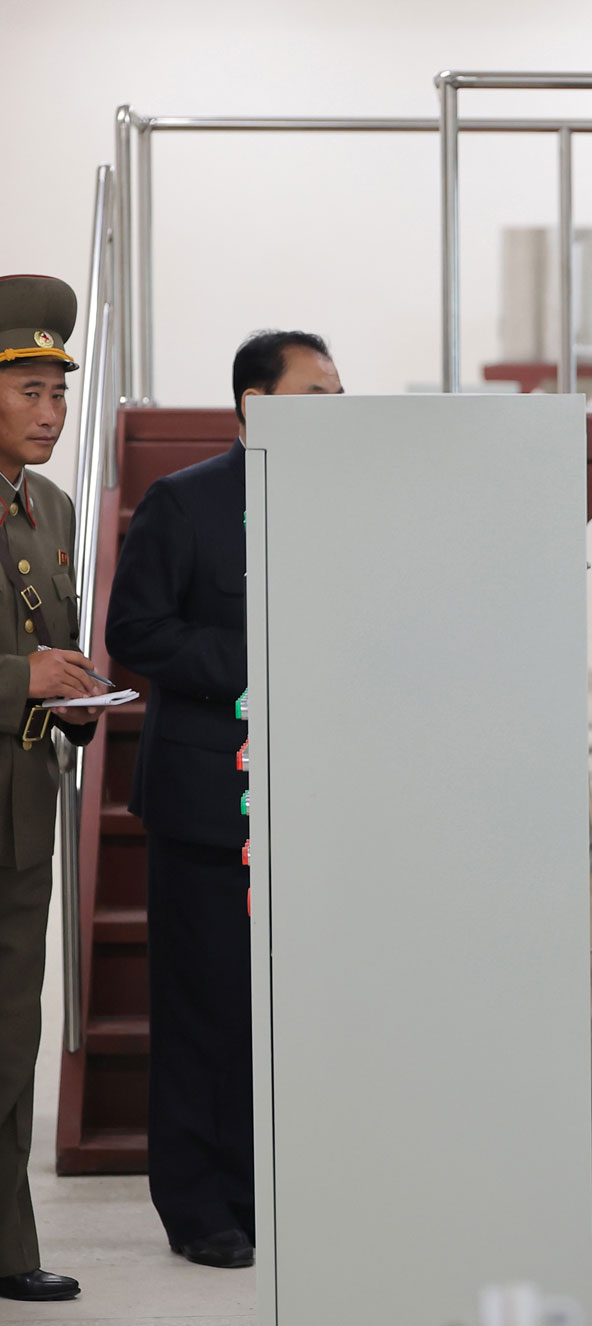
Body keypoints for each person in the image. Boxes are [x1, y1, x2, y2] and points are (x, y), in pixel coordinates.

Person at [105, 330, 342, 1271]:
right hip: (210, 803)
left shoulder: (352, 506)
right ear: (254, 403)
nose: (334, 410)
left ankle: (272, 1192)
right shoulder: (187, 501)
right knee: (207, 1009)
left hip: (321, 803)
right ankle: (199, 1205)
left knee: (290, 1013)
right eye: (314, 394)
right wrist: (263, 661)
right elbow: (137, 633)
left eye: (338, 393)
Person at [0, 275, 108, 1304]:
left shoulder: (54, 505)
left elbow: (50, 642)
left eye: (58, 392)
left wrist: (73, 692)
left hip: (23, 811)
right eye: (29, 389)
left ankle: (6, 1241)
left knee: (12, 1041)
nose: (50, 411)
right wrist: (19, 679)